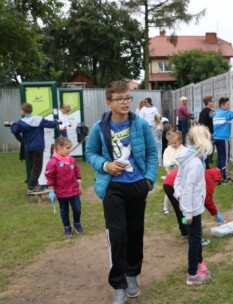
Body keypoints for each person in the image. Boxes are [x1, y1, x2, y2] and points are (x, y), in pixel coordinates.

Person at [85, 80, 157, 304]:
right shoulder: (99, 127)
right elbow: (90, 153)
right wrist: (106, 165)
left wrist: (148, 180)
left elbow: (153, 153)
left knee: (135, 233)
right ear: (109, 102)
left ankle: (132, 275)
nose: (125, 102)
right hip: (112, 188)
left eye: (128, 98)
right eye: (120, 99)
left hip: (137, 186)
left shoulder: (140, 125)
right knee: (118, 235)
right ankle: (119, 285)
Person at [173, 125, 213, 285]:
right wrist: (188, 213)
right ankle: (193, 273)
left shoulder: (188, 157)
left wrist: (179, 195)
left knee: (196, 235)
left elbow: (178, 181)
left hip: (190, 207)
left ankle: (199, 262)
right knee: (194, 239)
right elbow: (188, 187)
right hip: (191, 209)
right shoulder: (195, 163)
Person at [163, 167, 224, 247]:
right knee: (187, 213)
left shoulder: (203, 173)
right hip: (174, 184)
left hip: (168, 183)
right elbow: (207, 200)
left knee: (180, 212)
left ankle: (185, 232)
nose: (216, 185)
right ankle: (195, 239)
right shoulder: (208, 179)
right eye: (218, 183)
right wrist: (215, 213)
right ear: (216, 179)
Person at [10, 103, 60, 193]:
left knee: (32, 167)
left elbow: (14, 130)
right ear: (31, 110)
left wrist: (12, 124)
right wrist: (57, 122)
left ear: (23, 111)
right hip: (38, 147)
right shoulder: (38, 119)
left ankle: (34, 184)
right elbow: (51, 124)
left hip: (28, 148)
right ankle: (32, 186)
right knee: (37, 167)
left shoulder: (21, 122)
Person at [45, 137, 84, 237]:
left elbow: (77, 173)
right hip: (61, 193)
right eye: (67, 148)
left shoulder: (71, 160)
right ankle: (67, 227)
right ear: (59, 147)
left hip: (74, 190)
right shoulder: (52, 162)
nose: (69, 150)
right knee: (64, 211)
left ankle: (77, 223)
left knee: (77, 208)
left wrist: (79, 185)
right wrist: (51, 192)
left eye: (70, 148)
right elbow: (50, 177)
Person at [162, 131, 186, 215]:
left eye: (175, 143)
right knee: (169, 192)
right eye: (171, 143)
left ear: (180, 141)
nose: (173, 145)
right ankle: (165, 208)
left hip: (181, 174)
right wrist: (169, 164)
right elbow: (165, 161)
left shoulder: (184, 150)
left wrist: (178, 164)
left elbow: (185, 161)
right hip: (170, 174)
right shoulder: (167, 150)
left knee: (181, 191)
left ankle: (182, 207)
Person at [198, 96, 215, 169]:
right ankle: (208, 162)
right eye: (212, 101)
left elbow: (200, 122)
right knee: (210, 148)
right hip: (209, 132)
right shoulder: (210, 112)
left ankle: (205, 162)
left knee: (204, 148)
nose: (213, 102)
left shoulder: (202, 111)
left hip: (202, 132)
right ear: (209, 102)